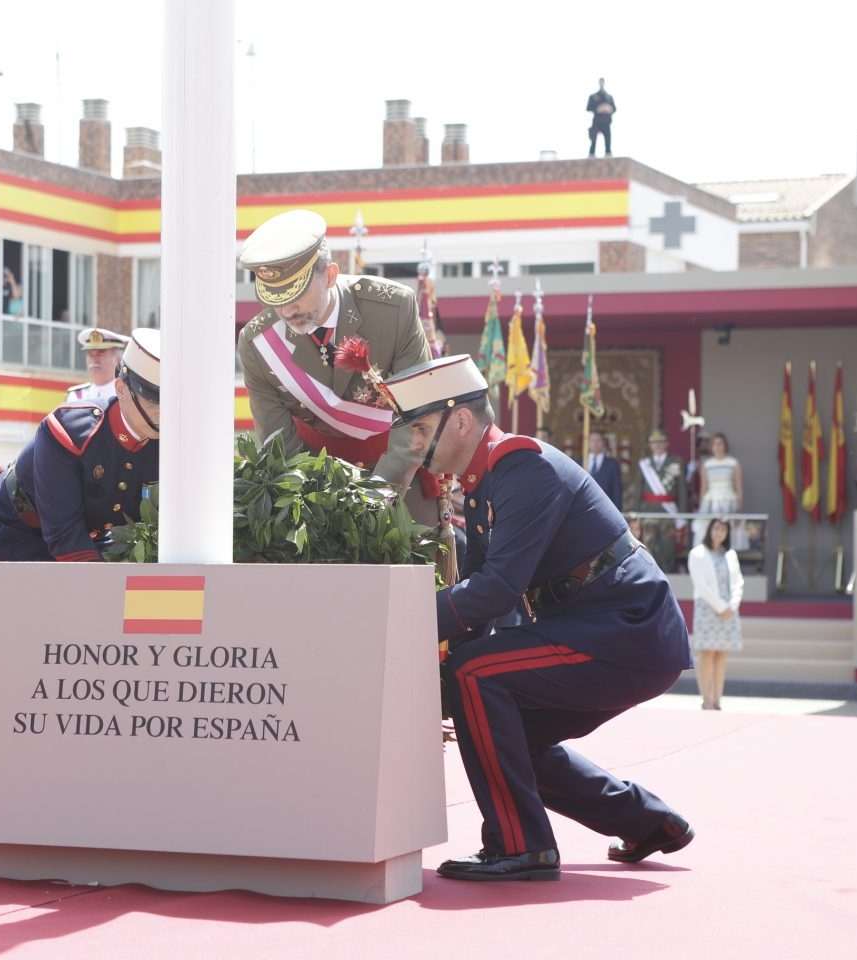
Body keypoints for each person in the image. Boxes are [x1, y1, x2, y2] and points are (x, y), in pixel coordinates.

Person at [382, 354, 694, 882]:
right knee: (499, 728)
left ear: (460, 420)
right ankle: (647, 821)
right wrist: (436, 653)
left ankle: (520, 845)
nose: (413, 445)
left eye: (420, 428)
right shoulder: (486, 480)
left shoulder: (522, 466)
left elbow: (497, 589)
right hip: (598, 625)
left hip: (625, 626)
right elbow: (479, 600)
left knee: (473, 676)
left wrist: (396, 627)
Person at [237, 209, 432, 513]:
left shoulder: (393, 310)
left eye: (295, 293)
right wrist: (323, 510)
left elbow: (418, 417)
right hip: (317, 497)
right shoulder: (258, 345)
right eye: (275, 299)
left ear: (329, 275)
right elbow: (279, 446)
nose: (287, 311)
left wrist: (375, 499)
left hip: (401, 485)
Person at [0, 329, 162, 562]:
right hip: (16, 532)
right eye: (154, 401)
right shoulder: (70, 432)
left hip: (94, 538)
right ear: (121, 389)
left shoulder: (169, 445)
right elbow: (65, 536)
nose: (163, 412)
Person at [687, 517, 743, 710]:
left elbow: (738, 583)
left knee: (722, 653)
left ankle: (718, 699)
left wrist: (732, 606)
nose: (719, 533)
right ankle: (706, 698)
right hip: (707, 608)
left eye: (723, 530)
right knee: (707, 653)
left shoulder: (730, 555)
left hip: (729, 610)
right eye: (716, 528)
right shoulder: (697, 554)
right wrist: (720, 606)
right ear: (709, 530)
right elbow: (701, 585)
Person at [629, 428, 689, 572]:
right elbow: (638, 491)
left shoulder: (677, 462)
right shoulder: (643, 464)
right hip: (648, 512)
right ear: (650, 445)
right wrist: (636, 515)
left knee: (668, 547)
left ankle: (667, 575)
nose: (657, 445)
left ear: (666, 444)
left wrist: (682, 515)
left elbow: (682, 490)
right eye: (654, 443)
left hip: (668, 513)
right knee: (649, 547)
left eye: (660, 442)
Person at [694, 432, 743, 548]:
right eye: (714, 444)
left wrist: (739, 510)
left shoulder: (733, 463)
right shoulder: (707, 465)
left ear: (725, 445)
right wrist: (702, 507)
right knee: (707, 530)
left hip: (729, 501)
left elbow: (739, 488)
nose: (717, 447)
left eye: (720, 444)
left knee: (727, 531)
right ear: (711, 447)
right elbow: (703, 488)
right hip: (710, 502)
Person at [65, 328, 130, 403]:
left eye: (101, 353)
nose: (94, 359)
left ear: (118, 359)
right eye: (90, 354)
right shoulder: (76, 397)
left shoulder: (127, 396)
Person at [585, 429, 623, 510]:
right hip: (583, 508)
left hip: (605, 509)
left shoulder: (612, 464)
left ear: (603, 442)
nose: (595, 444)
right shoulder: (580, 462)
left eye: (598, 440)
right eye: (592, 441)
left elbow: (616, 491)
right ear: (588, 443)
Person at [586, 78, 616, 158]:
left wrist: (609, 109)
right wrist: (598, 108)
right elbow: (588, 108)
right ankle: (591, 154)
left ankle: (608, 153)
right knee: (593, 139)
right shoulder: (594, 96)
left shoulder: (609, 97)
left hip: (606, 121)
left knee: (608, 140)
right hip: (597, 121)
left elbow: (614, 108)